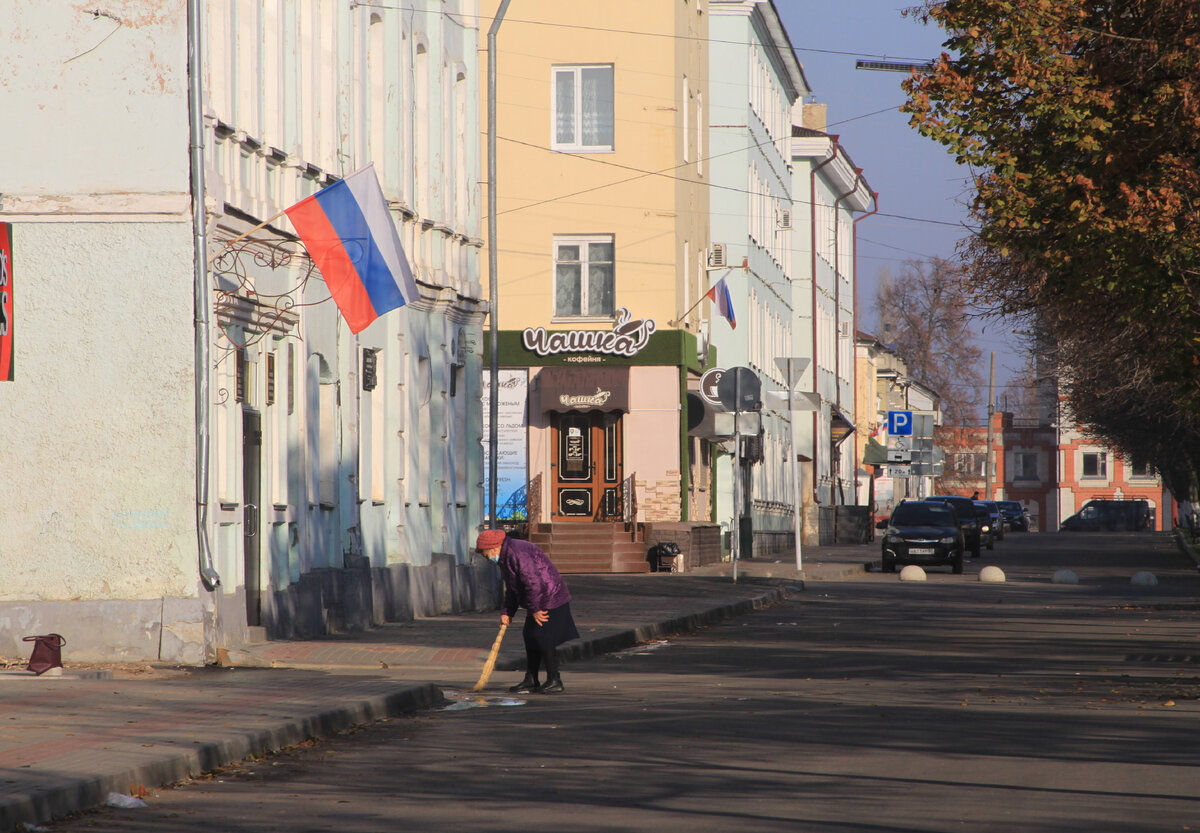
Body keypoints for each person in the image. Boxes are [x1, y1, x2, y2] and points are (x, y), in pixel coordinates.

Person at [476, 529, 579, 694]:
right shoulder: (505, 557)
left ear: (494, 548)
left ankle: (554, 680)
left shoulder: (518, 552)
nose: (487, 558)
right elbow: (513, 588)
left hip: (550, 596)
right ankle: (531, 679)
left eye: (486, 554)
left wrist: (536, 609)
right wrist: (507, 612)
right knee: (530, 635)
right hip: (539, 597)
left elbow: (533, 582)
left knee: (543, 636)